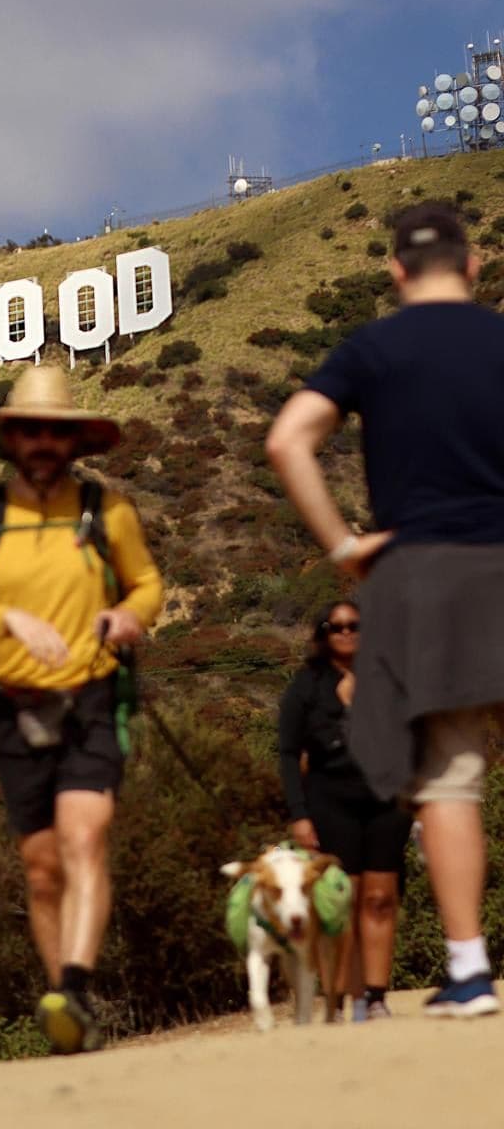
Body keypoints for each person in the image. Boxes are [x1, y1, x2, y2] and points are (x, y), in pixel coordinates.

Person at [267, 202, 504, 1018]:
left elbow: (288, 439)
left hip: (425, 580)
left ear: (396, 272)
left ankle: (469, 971)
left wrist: (343, 545)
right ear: (472, 268)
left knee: (448, 778)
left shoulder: (371, 349)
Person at [0, 365, 163, 1053]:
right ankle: (66, 1007)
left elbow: (147, 584)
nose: (42, 442)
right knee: (41, 868)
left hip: (92, 696)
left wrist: (126, 615)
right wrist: (9, 621)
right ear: (8, 439)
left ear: (75, 439)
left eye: (55, 431)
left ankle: (76, 991)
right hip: (13, 707)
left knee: (85, 838)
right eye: (29, 429)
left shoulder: (106, 511)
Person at [278, 600, 411, 1021]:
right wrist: (299, 813)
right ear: (323, 634)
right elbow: (286, 753)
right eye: (336, 627)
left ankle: (374, 997)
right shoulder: (306, 685)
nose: (347, 632)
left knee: (380, 898)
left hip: (387, 801)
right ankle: (337, 1001)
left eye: (355, 625)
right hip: (330, 802)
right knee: (341, 903)